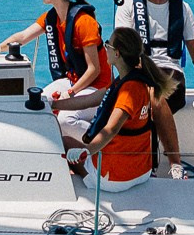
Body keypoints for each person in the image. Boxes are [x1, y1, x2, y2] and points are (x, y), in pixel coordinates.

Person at [70, 27, 181, 188]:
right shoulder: (139, 82)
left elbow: (111, 129)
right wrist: (54, 104)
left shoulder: (128, 91)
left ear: (117, 53)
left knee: (65, 143)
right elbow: (90, 100)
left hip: (114, 179)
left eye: (108, 44)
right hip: (142, 172)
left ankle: (83, 180)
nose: (105, 47)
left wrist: (87, 151)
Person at [0, 0, 106, 106]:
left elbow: (94, 70)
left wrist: (71, 92)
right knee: (40, 103)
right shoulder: (52, 18)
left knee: (67, 119)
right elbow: (23, 37)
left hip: (97, 87)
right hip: (72, 81)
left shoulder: (84, 22)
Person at [114, 0, 194, 114]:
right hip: (138, 69)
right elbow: (124, 46)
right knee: (117, 97)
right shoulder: (127, 3)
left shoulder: (183, 7)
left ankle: (157, 133)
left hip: (171, 71)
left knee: (158, 97)